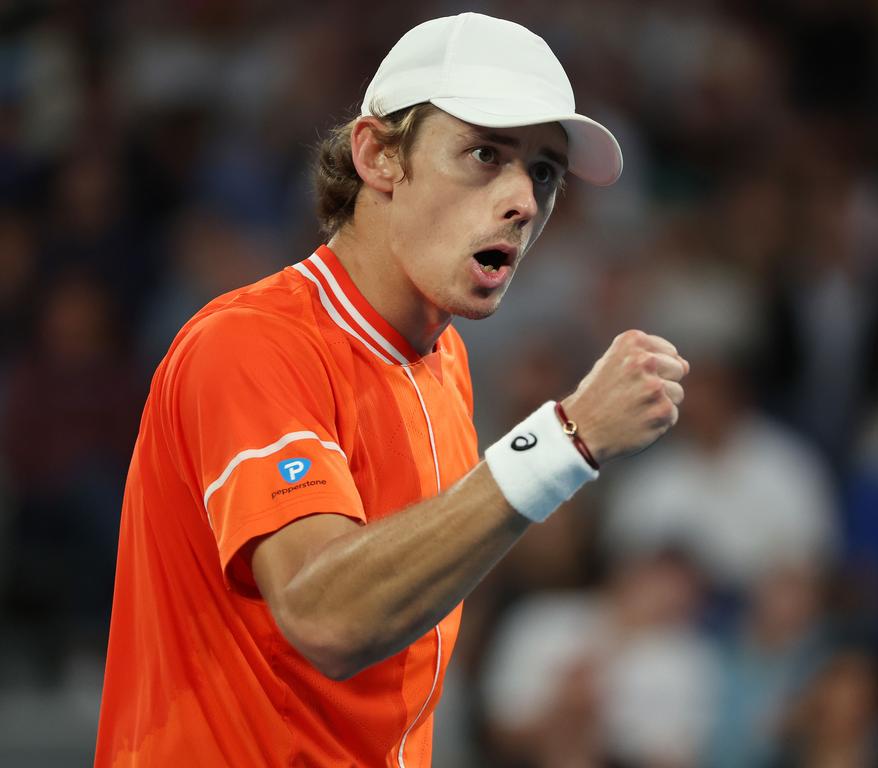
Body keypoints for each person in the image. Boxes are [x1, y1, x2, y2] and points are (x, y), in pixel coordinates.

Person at [94, 12, 688, 768]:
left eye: (543, 171)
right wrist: (564, 441)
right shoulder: (248, 343)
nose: (525, 200)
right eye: (485, 154)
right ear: (378, 156)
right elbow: (325, 615)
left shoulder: (446, 363)